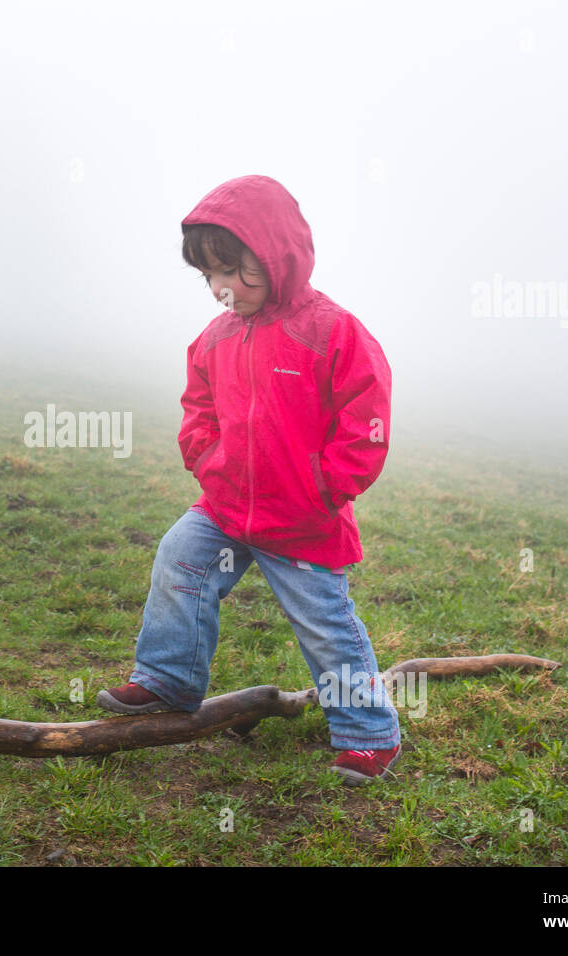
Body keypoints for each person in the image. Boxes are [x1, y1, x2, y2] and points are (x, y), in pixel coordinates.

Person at [96, 174, 401, 786]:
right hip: (228, 508)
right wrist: (207, 458)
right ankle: (168, 679)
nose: (222, 289)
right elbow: (198, 410)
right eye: (210, 276)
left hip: (305, 519)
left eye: (235, 272)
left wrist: (325, 487)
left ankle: (368, 734)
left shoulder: (331, 331)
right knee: (181, 558)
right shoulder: (214, 339)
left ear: (277, 259)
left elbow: (367, 415)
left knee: (325, 626)